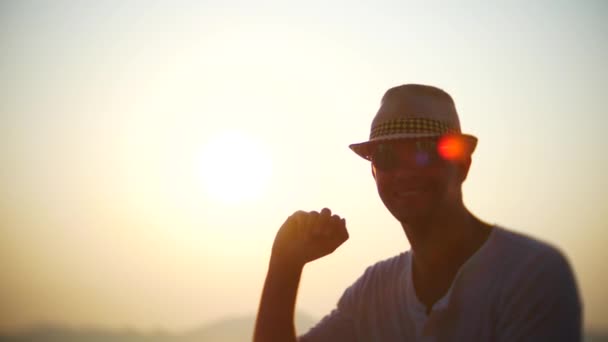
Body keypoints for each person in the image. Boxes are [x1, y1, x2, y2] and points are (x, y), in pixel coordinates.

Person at [253, 84, 582, 341]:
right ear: (374, 173)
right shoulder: (374, 292)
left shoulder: (530, 274)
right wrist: (285, 265)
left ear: (463, 165)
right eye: (386, 157)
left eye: (425, 152)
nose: (406, 172)